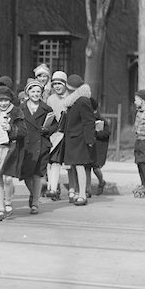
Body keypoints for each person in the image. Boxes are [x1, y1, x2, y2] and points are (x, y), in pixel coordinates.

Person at [0, 85, 26, 221]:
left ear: (10, 101)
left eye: (6, 101)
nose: (3, 103)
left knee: (8, 178)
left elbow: (23, 132)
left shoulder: (16, 113)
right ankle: (1, 208)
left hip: (10, 149)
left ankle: (8, 201)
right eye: (0, 101)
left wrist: (11, 128)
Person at [19, 79, 56, 214]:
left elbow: (55, 125)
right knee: (25, 174)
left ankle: (35, 203)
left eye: (38, 92)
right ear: (27, 93)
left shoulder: (46, 109)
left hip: (41, 145)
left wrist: (47, 130)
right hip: (25, 145)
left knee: (36, 175)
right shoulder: (21, 108)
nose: (35, 94)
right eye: (32, 91)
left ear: (41, 93)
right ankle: (33, 194)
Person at [62, 74, 96, 206]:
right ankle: (77, 192)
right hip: (73, 138)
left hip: (80, 139)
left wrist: (89, 139)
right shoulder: (74, 100)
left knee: (80, 166)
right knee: (75, 166)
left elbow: (88, 121)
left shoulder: (82, 101)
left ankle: (82, 194)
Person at [45, 70, 69, 200]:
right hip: (54, 133)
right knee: (52, 161)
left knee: (68, 164)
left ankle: (73, 190)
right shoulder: (50, 99)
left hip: (68, 133)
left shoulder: (70, 97)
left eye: (60, 83)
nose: (57, 86)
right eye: (54, 84)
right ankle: (52, 188)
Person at [89, 97, 111, 196]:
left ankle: (101, 181)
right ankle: (86, 189)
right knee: (86, 168)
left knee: (95, 167)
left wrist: (96, 133)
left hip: (98, 148)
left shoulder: (100, 120)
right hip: (88, 146)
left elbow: (106, 133)